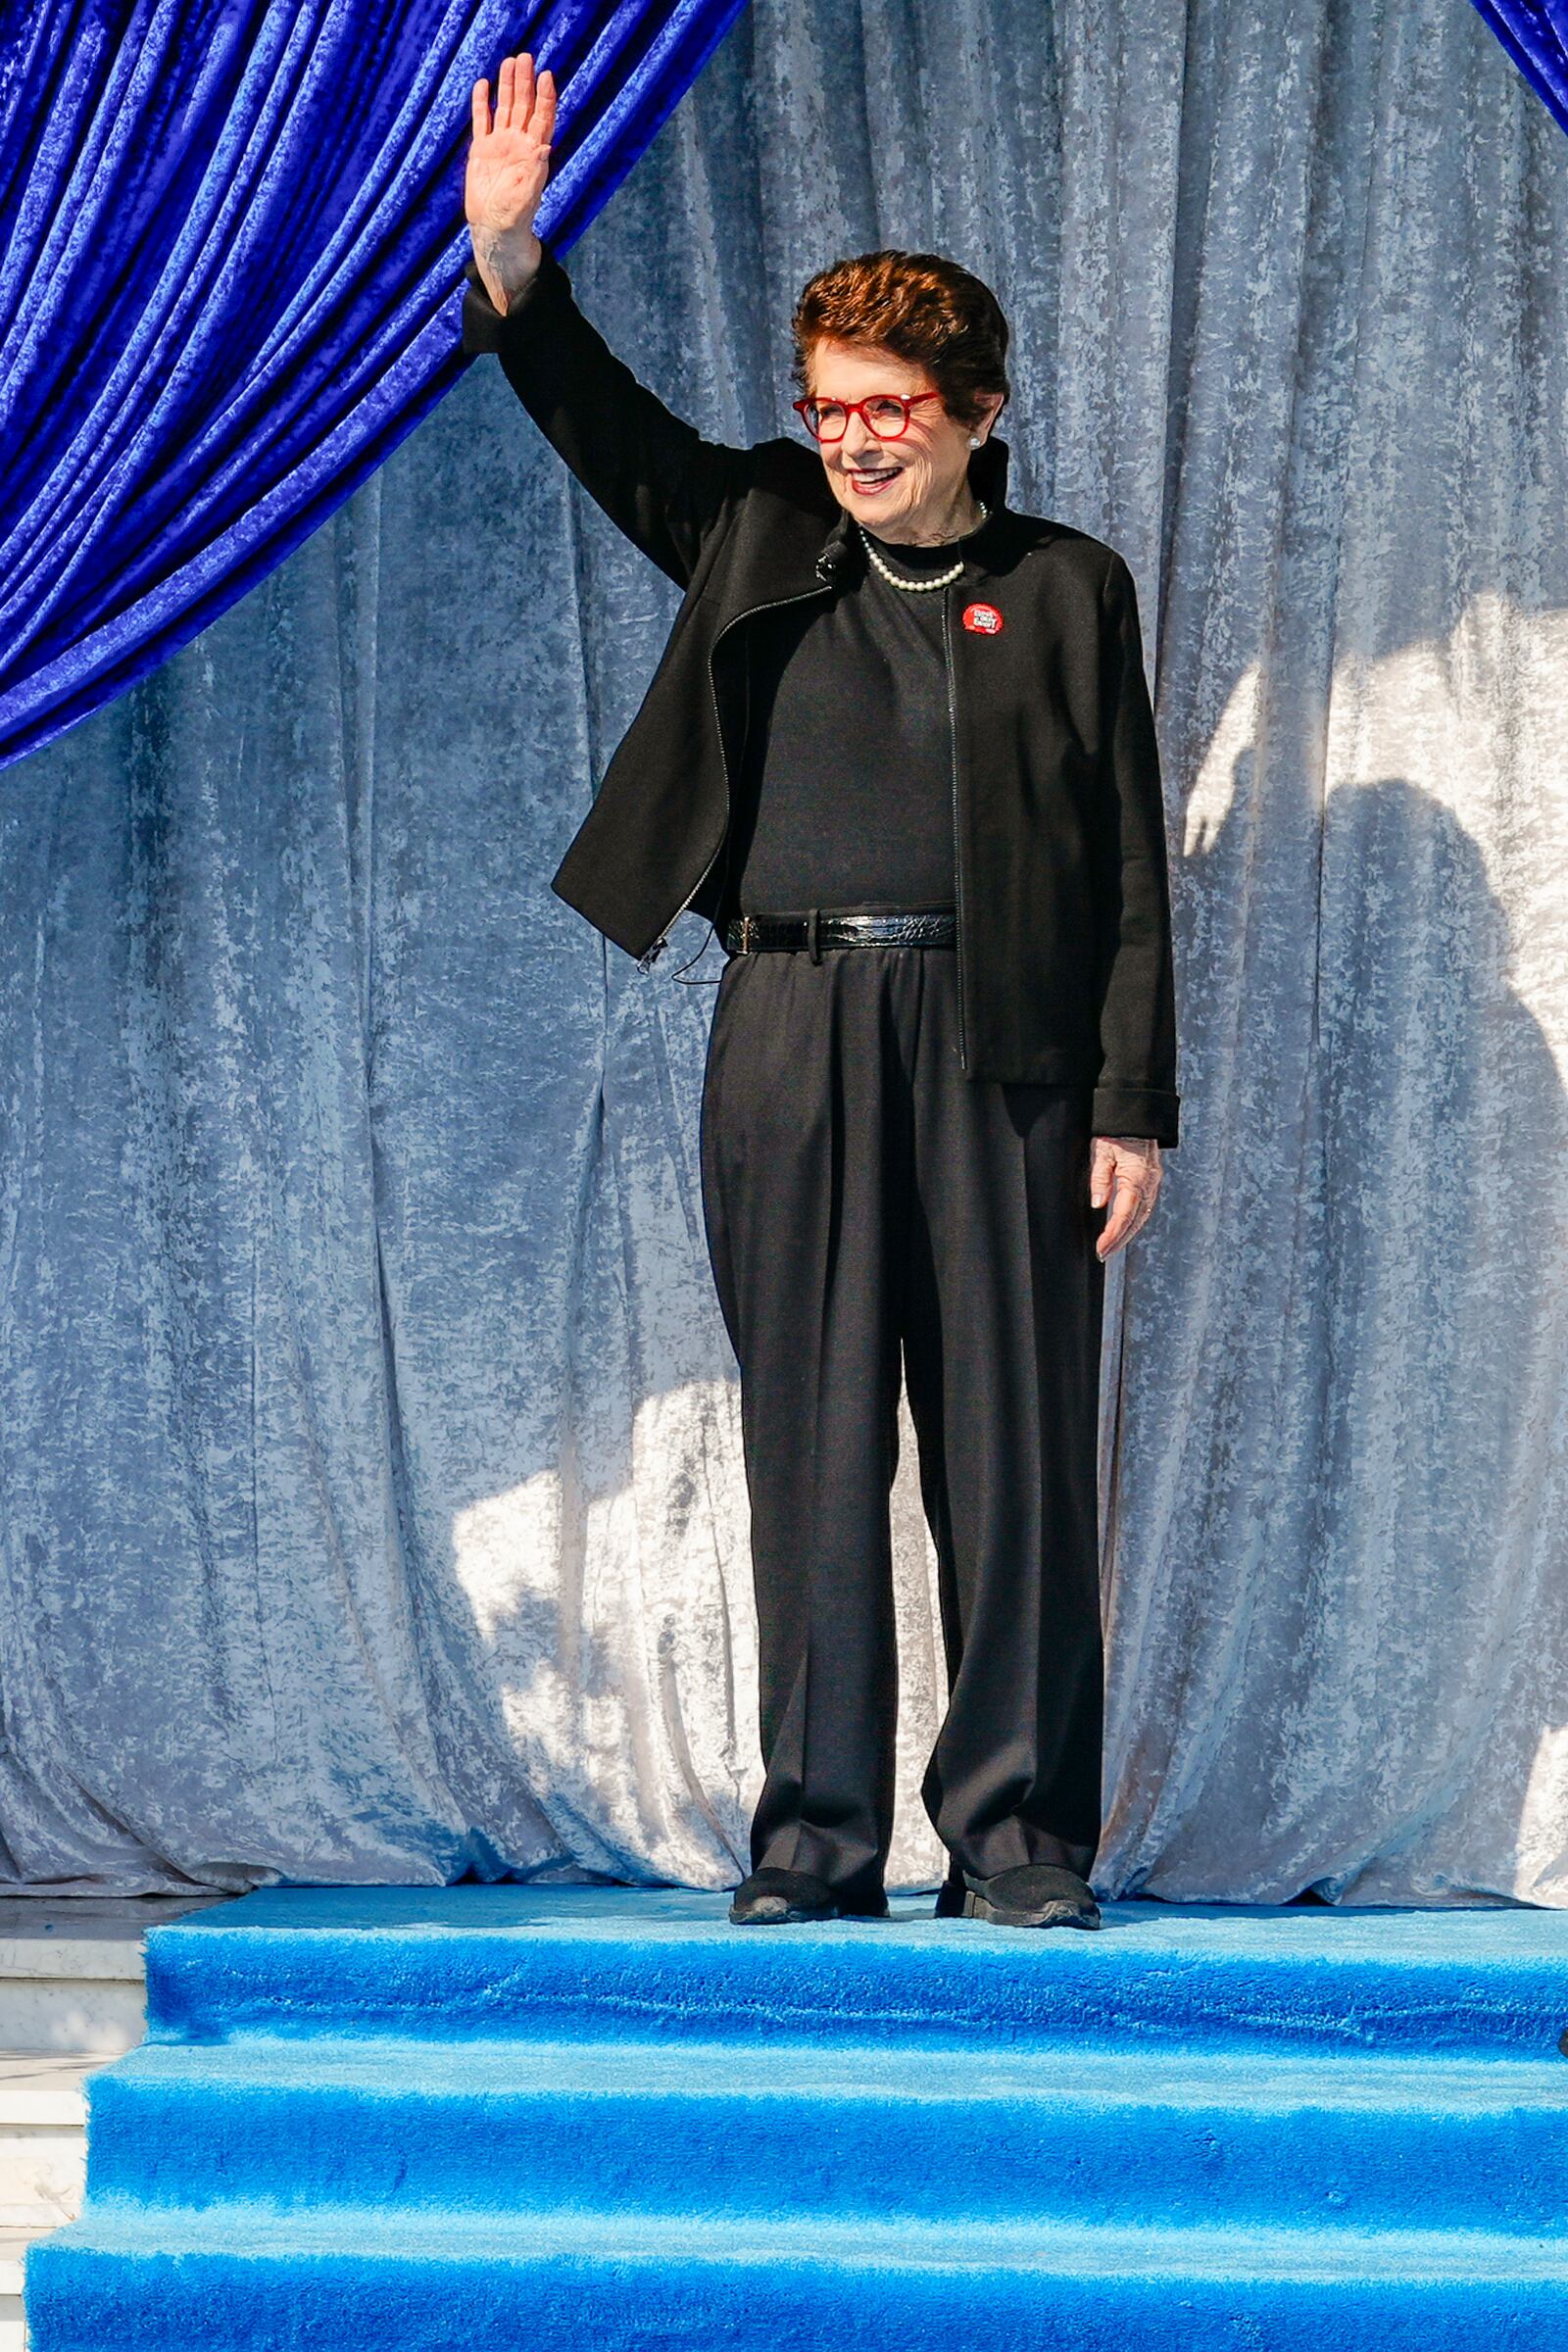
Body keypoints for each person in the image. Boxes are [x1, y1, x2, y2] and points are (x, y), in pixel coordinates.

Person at [463, 54, 1179, 1934]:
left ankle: (1021, 1846)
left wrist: (1131, 1106)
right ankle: (816, 1844)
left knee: (1015, 1463)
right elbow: (599, 421)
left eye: (889, 410)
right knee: (810, 1447)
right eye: (829, 406)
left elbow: (1124, 872)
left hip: (1012, 1053)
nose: (853, 439)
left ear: (979, 414)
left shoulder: (1074, 591)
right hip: (790, 1033)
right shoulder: (761, 534)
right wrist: (514, 256)